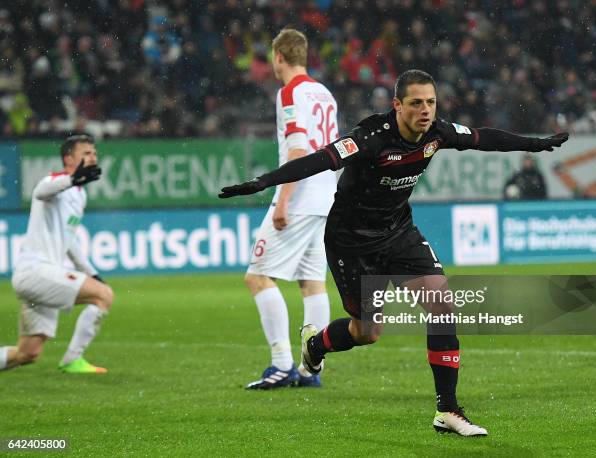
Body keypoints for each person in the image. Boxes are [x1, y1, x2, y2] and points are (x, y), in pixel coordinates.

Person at [220, 70, 569, 435]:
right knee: (367, 332)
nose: (426, 110)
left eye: (431, 102)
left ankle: (447, 410)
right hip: (351, 242)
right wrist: (265, 181)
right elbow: (320, 159)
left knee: (441, 302)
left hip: (398, 232)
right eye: (416, 103)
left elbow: (482, 138)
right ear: (397, 105)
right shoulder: (369, 137)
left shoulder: (438, 132)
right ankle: (315, 344)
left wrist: (534, 144)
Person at [243, 29, 339, 389]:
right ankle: (311, 370)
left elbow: (298, 151)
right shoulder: (325, 94)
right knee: (312, 284)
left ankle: (282, 364)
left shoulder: (290, 92)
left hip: (299, 197)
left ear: (278, 57)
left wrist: (283, 199)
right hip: (325, 196)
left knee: (257, 276)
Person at [0, 134, 113, 374]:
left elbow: (69, 239)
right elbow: (40, 191)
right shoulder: (57, 181)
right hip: (36, 271)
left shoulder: (79, 194)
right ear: (68, 158)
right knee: (103, 296)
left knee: (27, 353)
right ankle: (73, 359)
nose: (92, 157)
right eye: (86, 153)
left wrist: (92, 273)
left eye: (94, 153)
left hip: (41, 275)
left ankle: (70, 360)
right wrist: (72, 179)